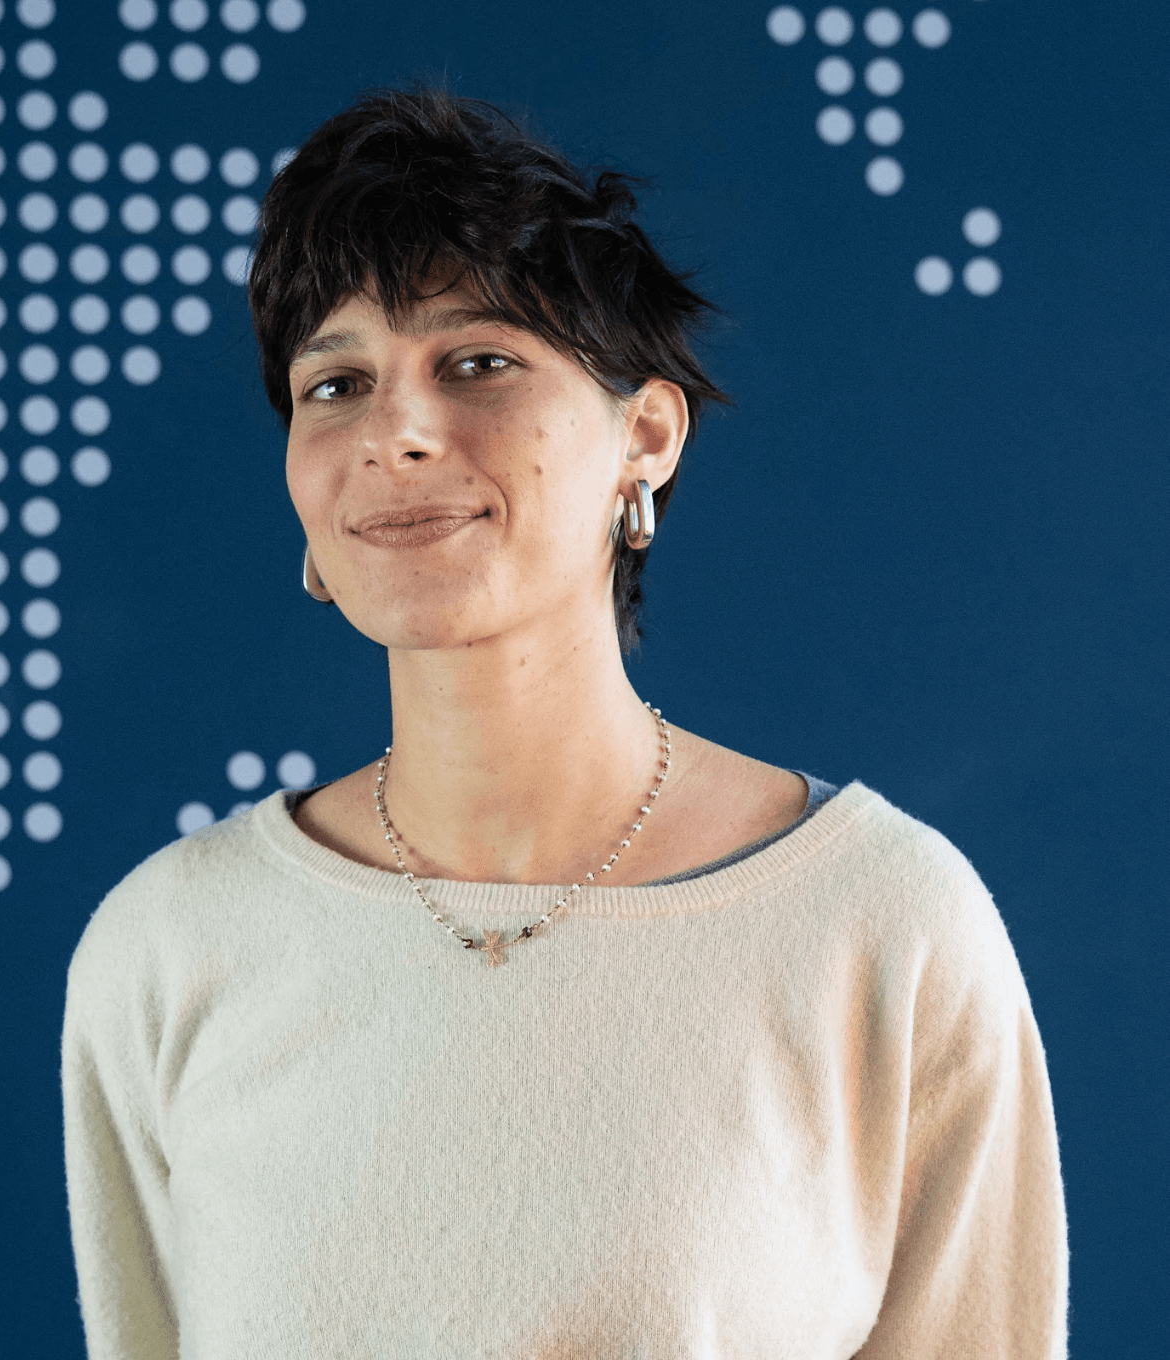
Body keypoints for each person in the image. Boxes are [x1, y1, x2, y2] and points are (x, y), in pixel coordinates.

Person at [61, 82, 1069, 1357]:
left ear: (644, 436)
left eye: (476, 362)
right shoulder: (166, 949)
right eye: (336, 383)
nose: (399, 433)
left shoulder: (882, 924)